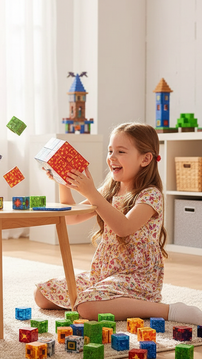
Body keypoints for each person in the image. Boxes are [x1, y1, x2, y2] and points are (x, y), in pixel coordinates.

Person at [35, 122, 202, 325]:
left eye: (121, 151)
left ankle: (167, 310)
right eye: (110, 150)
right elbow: (71, 218)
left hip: (137, 278)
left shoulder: (150, 195)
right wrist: (64, 183)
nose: (112, 157)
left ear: (146, 159)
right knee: (42, 294)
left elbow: (123, 227)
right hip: (105, 274)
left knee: (86, 307)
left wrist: (91, 193)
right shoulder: (110, 191)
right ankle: (111, 298)